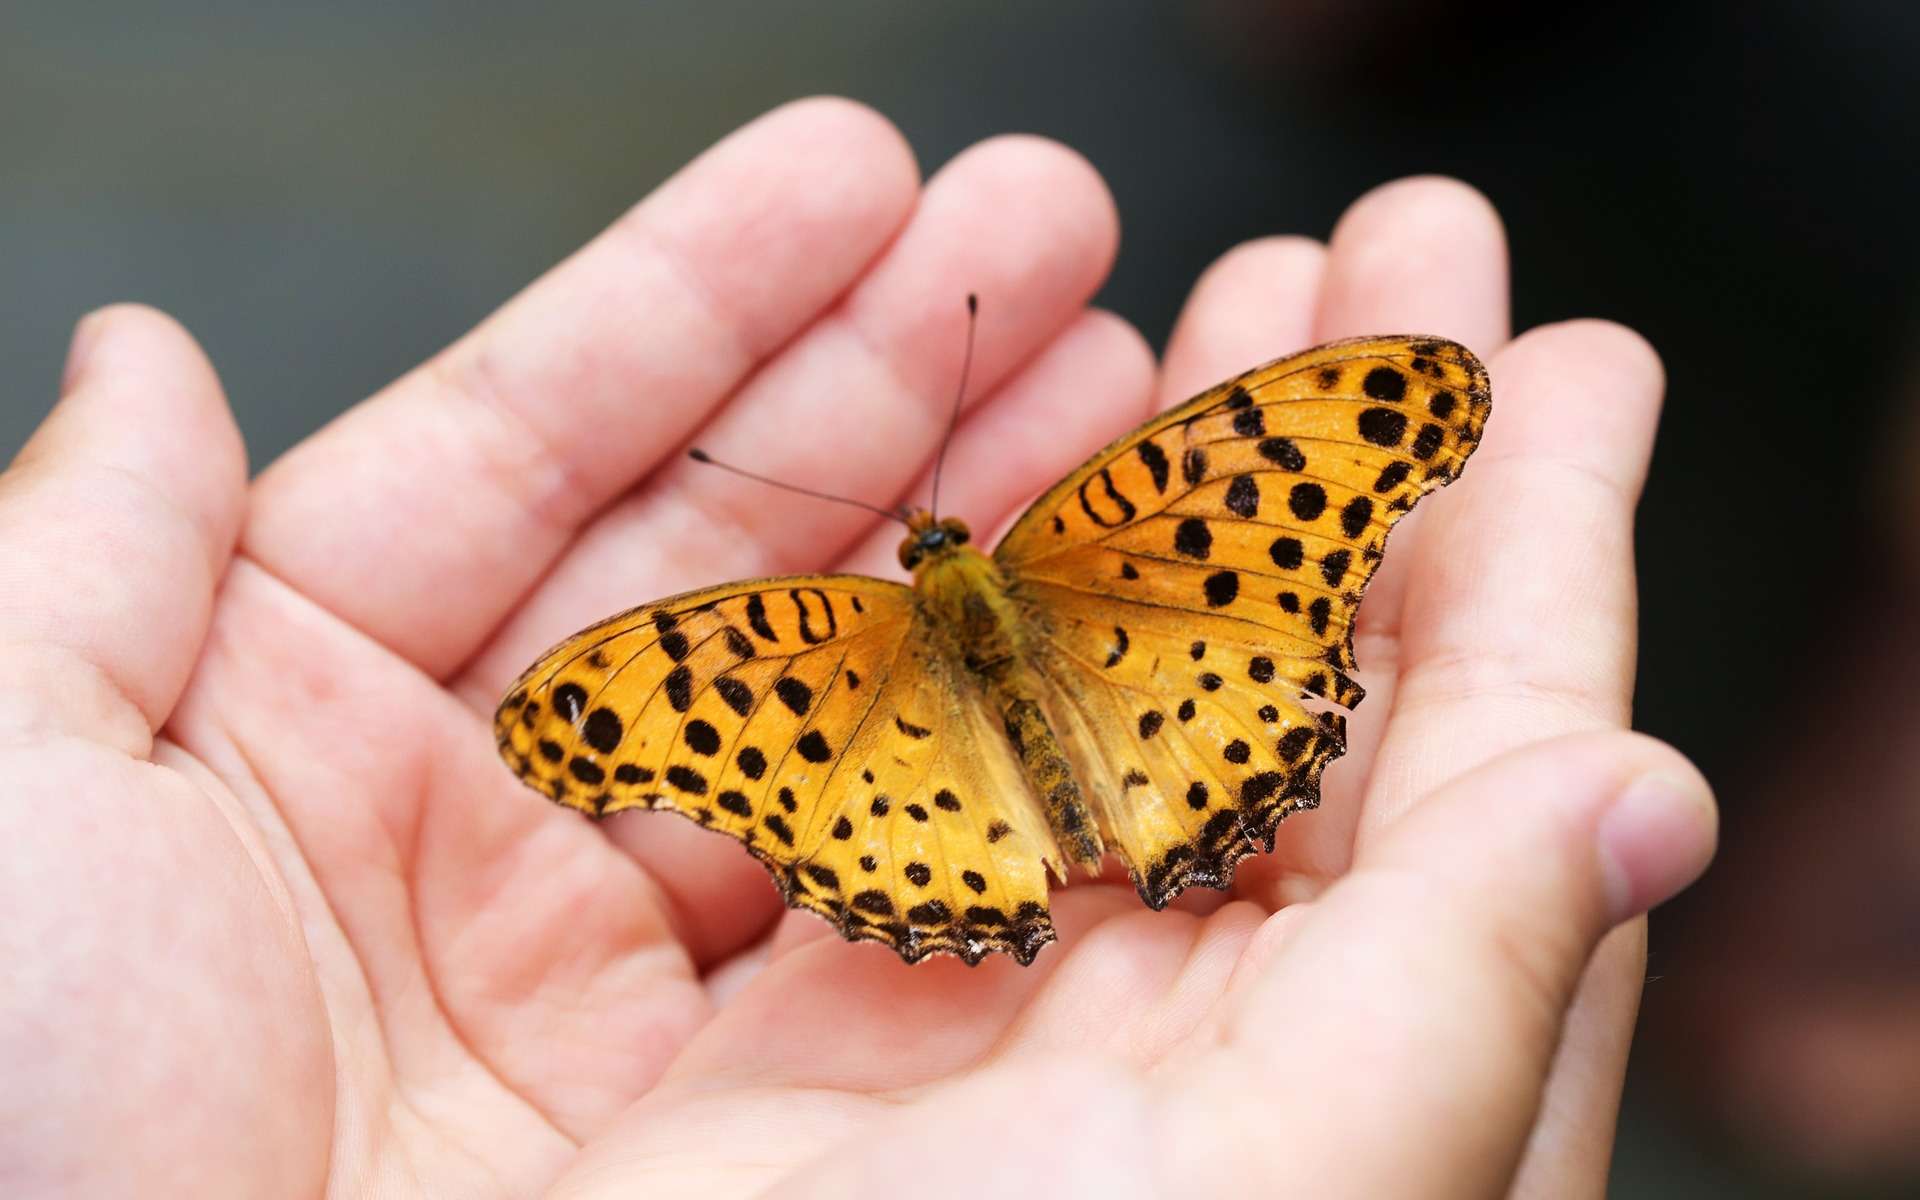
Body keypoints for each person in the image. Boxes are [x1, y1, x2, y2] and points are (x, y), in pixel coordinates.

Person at [0, 98, 1714, 1197]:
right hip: (1191, 700)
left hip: (918, 812)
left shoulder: (779, 641)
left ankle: (1037, 850)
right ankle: (1173, 809)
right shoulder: (1104, 516)